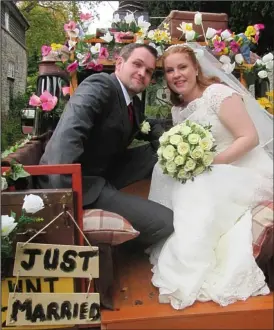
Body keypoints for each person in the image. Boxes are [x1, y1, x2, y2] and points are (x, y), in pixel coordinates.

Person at [147, 43, 273, 310]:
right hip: (212, 171)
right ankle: (171, 236)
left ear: (196, 68)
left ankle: (193, 261)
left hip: (244, 169)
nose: (176, 74)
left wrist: (210, 163)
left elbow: (249, 138)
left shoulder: (217, 94)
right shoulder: (178, 110)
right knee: (164, 170)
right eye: (169, 70)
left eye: (182, 67)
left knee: (199, 183)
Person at [37, 43, 174, 246]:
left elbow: (145, 124)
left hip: (104, 171)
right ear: (119, 63)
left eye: (149, 71)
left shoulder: (132, 102)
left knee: (160, 152)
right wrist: (67, 197)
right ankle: (117, 246)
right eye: (137, 64)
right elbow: (69, 135)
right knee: (166, 222)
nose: (142, 73)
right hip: (77, 183)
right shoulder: (99, 85)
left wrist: (177, 136)